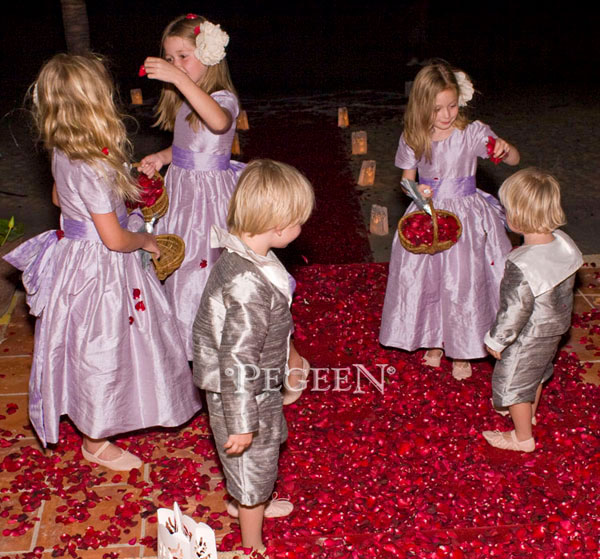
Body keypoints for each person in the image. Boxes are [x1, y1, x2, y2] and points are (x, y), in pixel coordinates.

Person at [3, 54, 202, 471]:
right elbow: (113, 239)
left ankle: (118, 406)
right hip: (103, 269)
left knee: (91, 340)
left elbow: (60, 200)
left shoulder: (64, 148)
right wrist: (145, 238)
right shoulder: (92, 161)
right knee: (103, 344)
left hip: (76, 257)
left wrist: (110, 199)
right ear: (96, 102)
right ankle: (95, 438)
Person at [192, 159, 315, 556]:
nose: (301, 230)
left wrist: (289, 357)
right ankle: (251, 538)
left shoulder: (248, 255)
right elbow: (238, 357)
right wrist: (241, 422)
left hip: (258, 383)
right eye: (299, 222)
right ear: (278, 227)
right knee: (251, 464)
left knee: (265, 449)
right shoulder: (247, 283)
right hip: (241, 389)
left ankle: (250, 501)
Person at [379, 60, 520, 380]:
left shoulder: (471, 133)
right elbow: (406, 180)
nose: (446, 115)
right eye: (437, 108)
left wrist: (505, 148)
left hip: (468, 216)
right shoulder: (414, 136)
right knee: (431, 279)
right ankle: (434, 339)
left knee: (464, 282)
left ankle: (463, 347)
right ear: (421, 105)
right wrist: (419, 192)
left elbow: (512, 159)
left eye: (452, 106)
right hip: (429, 214)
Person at [139, 13, 245, 360]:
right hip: (182, 193)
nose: (176, 65)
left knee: (204, 269)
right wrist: (162, 156)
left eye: (183, 56)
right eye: (170, 59)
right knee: (179, 265)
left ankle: (215, 343)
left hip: (209, 199)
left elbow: (217, 123)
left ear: (210, 56)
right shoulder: (186, 99)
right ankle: (188, 345)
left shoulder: (222, 98)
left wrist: (178, 79)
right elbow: (190, 145)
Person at [482, 168, 582, 452]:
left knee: (514, 384)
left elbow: (514, 310)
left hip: (528, 336)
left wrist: (496, 341)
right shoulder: (563, 243)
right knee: (535, 375)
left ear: (516, 217)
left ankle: (522, 437)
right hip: (556, 326)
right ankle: (530, 414)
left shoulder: (522, 264)